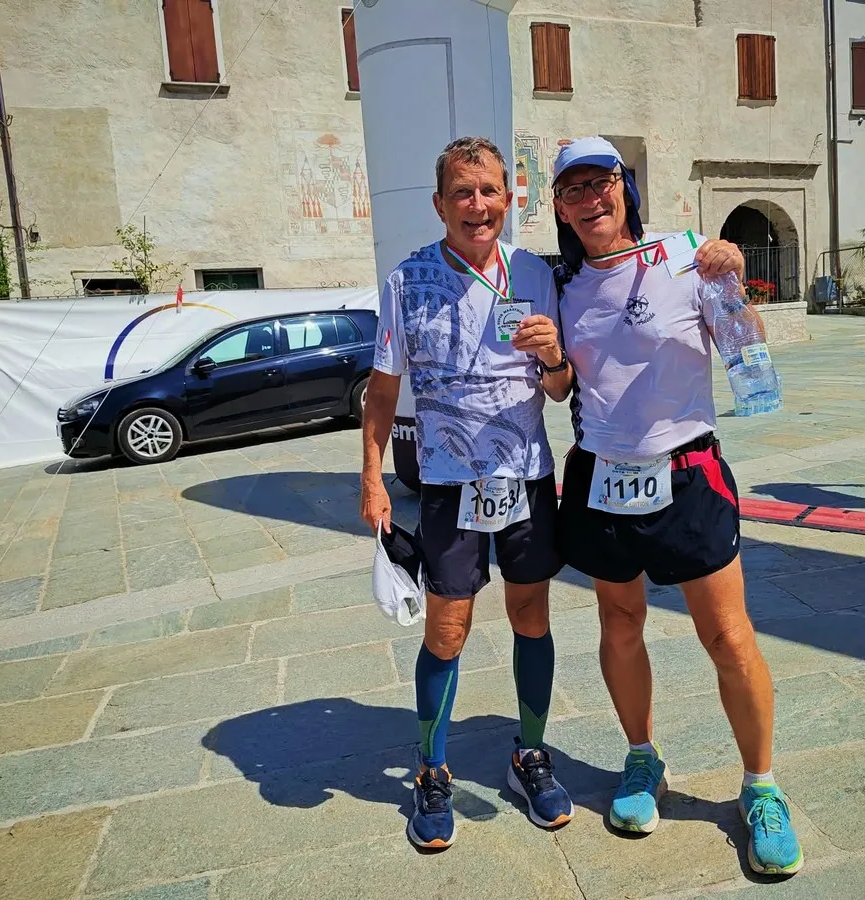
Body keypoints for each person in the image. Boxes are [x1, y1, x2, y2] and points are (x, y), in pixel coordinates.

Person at [549, 136, 803, 876]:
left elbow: (746, 343)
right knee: (620, 624)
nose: (591, 198)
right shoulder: (557, 283)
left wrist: (735, 278)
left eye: (602, 182)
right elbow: (561, 384)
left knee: (727, 635)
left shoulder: (688, 253)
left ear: (625, 188)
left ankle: (761, 787)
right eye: (573, 190)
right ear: (559, 207)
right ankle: (641, 759)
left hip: (688, 473)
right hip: (599, 476)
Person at [360, 136, 576, 850]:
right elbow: (384, 389)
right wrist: (371, 477)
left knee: (531, 616)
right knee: (447, 630)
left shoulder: (538, 275)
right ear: (440, 204)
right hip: (451, 483)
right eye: (462, 193)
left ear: (509, 200)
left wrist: (552, 357)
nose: (477, 206)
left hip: (526, 476)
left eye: (489, 192)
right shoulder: (408, 278)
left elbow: (560, 387)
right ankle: (430, 768)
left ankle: (530, 755)